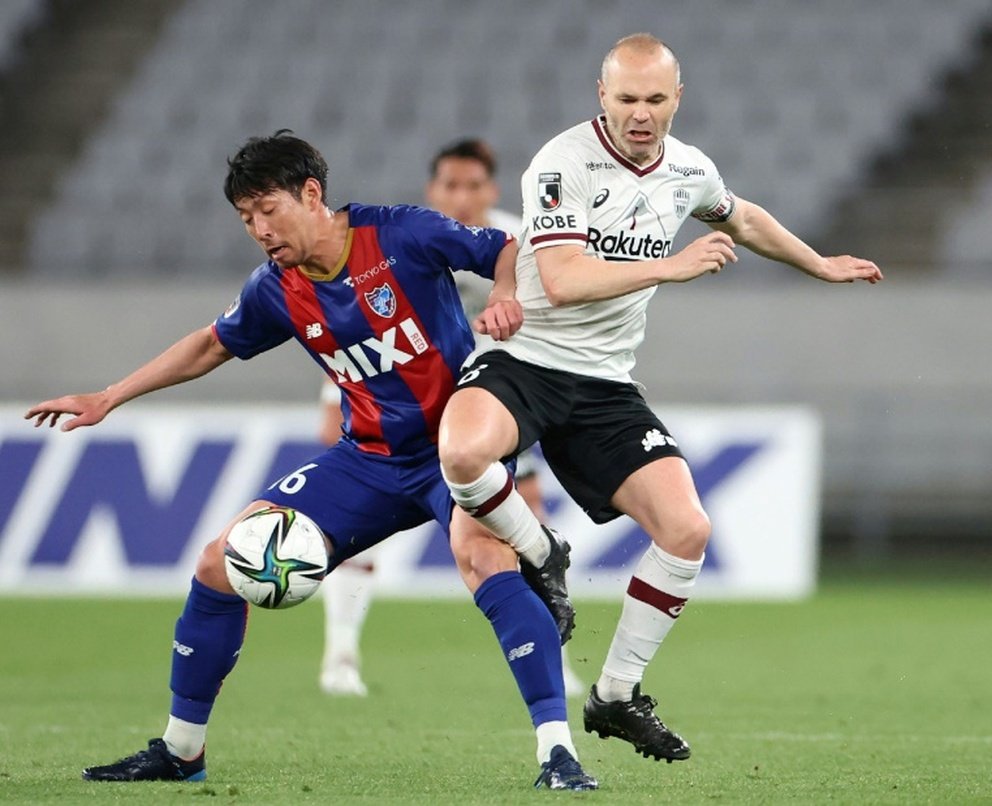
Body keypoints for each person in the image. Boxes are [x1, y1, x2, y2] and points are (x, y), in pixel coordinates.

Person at [25, 131, 597, 790]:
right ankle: (181, 750)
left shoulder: (401, 235)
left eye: (268, 209)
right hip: (369, 460)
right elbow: (212, 345)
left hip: (455, 447)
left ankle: (557, 752)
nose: (259, 229)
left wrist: (504, 296)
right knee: (218, 564)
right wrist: (110, 395)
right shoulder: (277, 288)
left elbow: (507, 248)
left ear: (313, 194)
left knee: (485, 557)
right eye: (246, 218)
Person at [438, 33, 883, 764]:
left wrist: (818, 263)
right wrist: (672, 269)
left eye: (653, 100)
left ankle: (615, 695)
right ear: (601, 96)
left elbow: (739, 215)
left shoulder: (688, 167)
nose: (639, 115)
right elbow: (567, 279)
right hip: (529, 361)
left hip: (606, 382)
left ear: (677, 98)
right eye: (625, 99)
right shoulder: (560, 164)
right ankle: (543, 551)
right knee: (462, 451)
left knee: (687, 529)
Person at [317, 137, 585, 699]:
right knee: (356, 534)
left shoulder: (518, 243)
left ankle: (550, 657)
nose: (461, 197)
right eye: (450, 185)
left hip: (494, 407)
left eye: (472, 186)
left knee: (528, 528)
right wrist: (329, 400)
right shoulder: (401, 242)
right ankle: (340, 655)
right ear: (432, 189)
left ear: (491, 190)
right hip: (400, 410)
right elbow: (355, 328)